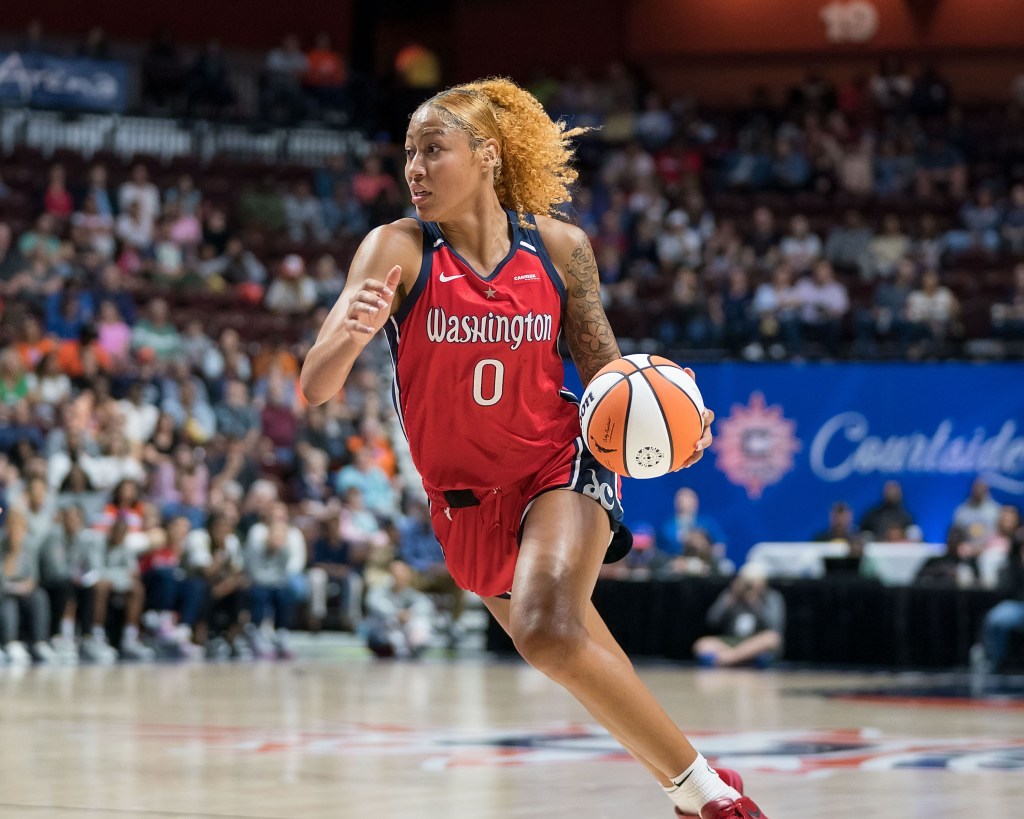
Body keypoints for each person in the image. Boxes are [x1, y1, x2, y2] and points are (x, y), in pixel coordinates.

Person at [299, 77, 765, 819]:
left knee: (547, 632)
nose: (414, 168)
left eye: (433, 150)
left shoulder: (558, 248)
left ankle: (710, 802)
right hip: (460, 504)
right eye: (409, 154)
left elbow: (610, 377)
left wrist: (671, 427)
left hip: (558, 465)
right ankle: (703, 784)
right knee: (579, 653)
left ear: (486, 154)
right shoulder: (397, 248)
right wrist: (350, 334)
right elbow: (314, 386)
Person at [692, 563, 785, 668]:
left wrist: (756, 603)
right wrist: (731, 597)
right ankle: (740, 658)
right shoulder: (731, 595)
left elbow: (774, 626)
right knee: (701, 644)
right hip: (733, 641)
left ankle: (727, 659)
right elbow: (712, 620)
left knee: (771, 639)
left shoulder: (772, 597)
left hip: (755, 642)